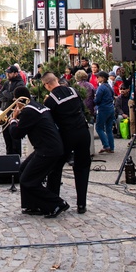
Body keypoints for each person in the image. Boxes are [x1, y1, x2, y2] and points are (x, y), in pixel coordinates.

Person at [7, 86, 68, 218]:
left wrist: (13, 119)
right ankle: (32, 205)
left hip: (48, 150)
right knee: (23, 170)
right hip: (47, 148)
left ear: (18, 100)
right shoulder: (37, 106)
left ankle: (58, 203)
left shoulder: (29, 111)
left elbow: (17, 134)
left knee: (27, 180)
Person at [43, 72, 91, 214]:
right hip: (83, 132)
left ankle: (55, 202)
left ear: (47, 85)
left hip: (66, 135)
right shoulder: (73, 91)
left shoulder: (50, 100)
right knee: (82, 167)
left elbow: (50, 123)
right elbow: (83, 110)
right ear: (56, 80)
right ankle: (81, 204)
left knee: (55, 168)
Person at [0, 65, 26, 156]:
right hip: (5, 111)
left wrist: (6, 94)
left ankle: (16, 156)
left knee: (14, 135)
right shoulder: (6, 83)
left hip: (15, 113)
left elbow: (16, 97)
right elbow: (0, 95)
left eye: (9, 73)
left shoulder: (20, 83)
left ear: (15, 73)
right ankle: (8, 154)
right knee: (6, 136)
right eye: (7, 73)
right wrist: (7, 96)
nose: (7, 74)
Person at [93, 70, 116, 154]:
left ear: (103, 78)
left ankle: (106, 145)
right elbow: (113, 95)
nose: (97, 78)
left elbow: (97, 100)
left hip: (103, 109)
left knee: (99, 128)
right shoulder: (109, 86)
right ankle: (111, 147)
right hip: (111, 108)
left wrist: (93, 100)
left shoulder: (101, 87)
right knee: (109, 129)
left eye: (98, 77)